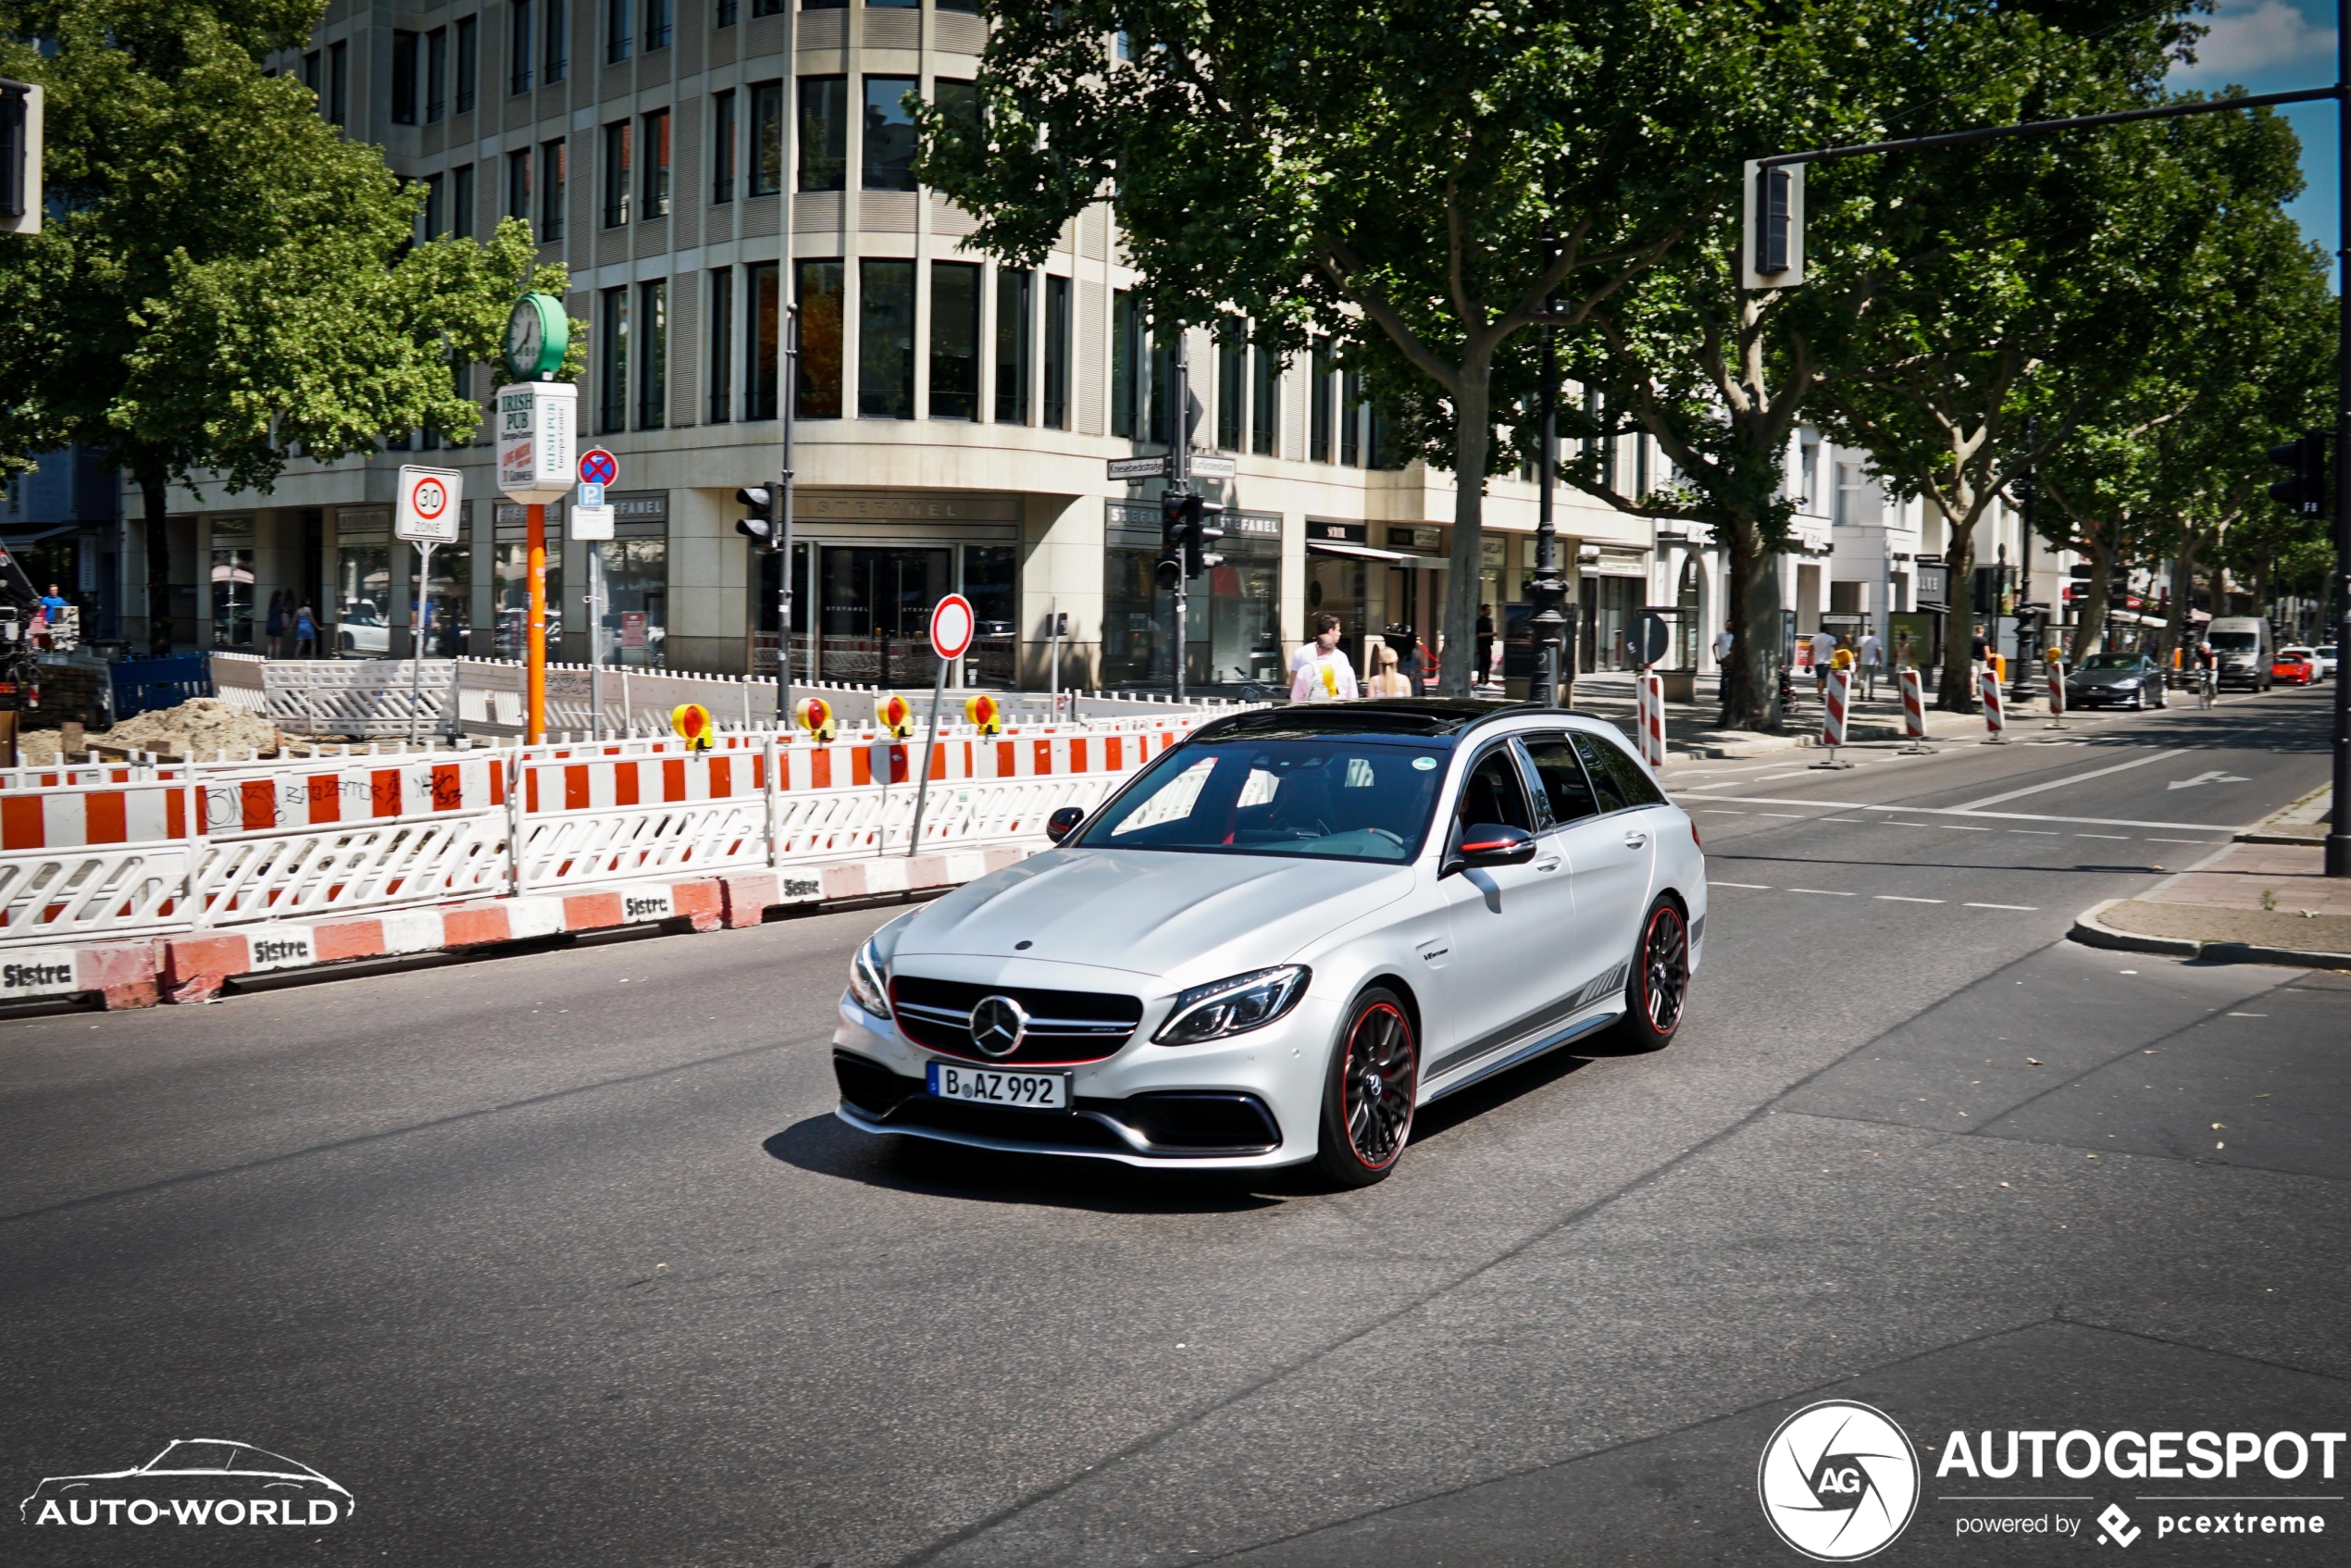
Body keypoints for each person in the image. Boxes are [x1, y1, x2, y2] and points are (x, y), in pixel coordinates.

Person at [1289, 612, 1360, 703]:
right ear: (1330, 631)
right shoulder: (1341, 657)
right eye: (1338, 630)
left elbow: (1293, 687)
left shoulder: (1300, 652)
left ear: (1318, 649)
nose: (1340, 634)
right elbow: (1352, 696)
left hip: (1310, 711)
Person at [1857, 628, 1885, 700]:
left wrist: (1858, 660)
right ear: (1874, 632)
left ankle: (1861, 693)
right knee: (1872, 680)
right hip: (1873, 662)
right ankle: (1871, 694)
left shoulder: (1861, 639)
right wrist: (1880, 662)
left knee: (1863, 679)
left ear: (1868, 631)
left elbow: (1858, 650)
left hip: (1863, 661)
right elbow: (1878, 652)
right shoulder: (1877, 640)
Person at [1809, 628, 1837, 696]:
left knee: (1819, 678)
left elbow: (1810, 651)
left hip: (1817, 661)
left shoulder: (1814, 638)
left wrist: (1807, 663)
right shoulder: (1830, 638)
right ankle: (1821, 694)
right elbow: (1836, 648)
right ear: (1825, 630)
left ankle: (1819, 693)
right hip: (1826, 661)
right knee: (1823, 678)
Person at [1474, 605, 1495, 691]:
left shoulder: (1490, 620)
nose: (1490, 611)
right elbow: (1479, 634)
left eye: (1490, 609)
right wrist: (1491, 634)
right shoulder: (1479, 621)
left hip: (1488, 644)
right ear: (1483, 611)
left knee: (1487, 662)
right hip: (1482, 644)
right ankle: (1480, 681)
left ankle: (1486, 681)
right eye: (1488, 610)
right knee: (1483, 662)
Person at [264, 591, 287, 658]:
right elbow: (286, 611)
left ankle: (269, 656)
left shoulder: (271, 603)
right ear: (279, 596)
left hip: (270, 624)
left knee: (271, 643)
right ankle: (277, 658)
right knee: (278, 644)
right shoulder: (281, 604)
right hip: (277, 624)